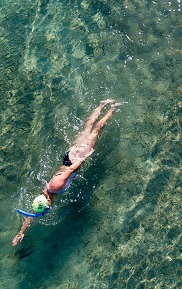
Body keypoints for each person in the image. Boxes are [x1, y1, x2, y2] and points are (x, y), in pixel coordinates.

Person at [12, 99, 121, 246]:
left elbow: (70, 170)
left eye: (46, 208)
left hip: (74, 159)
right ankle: (101, 104)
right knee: (87, 130)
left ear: (47, 202)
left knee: (96, 130)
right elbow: (31, 215)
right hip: (69, 157)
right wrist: (21, 232)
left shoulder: (56, 187)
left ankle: (112, 109)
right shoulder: (44, 196)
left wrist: (83, 158)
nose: (47, 209)